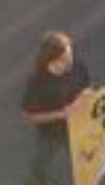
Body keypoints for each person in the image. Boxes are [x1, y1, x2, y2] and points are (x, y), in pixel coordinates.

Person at [21, 31, 91, 185]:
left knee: (81, 161)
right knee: (44, 159)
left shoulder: (78, 67)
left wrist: (85, 96)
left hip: (78, 127)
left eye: (70, 54)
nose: (70, 61)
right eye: (65, 59)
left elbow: (86, 87)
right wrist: (61, 114)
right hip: (52, 133)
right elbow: (28, 116)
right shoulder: (37, 83)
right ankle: (37, 177)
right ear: (51, 61)